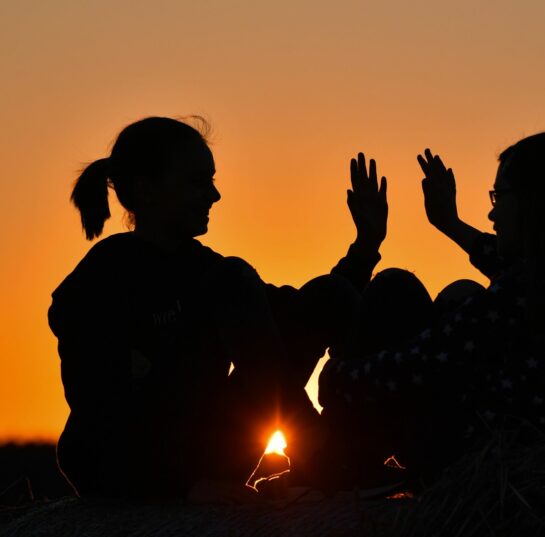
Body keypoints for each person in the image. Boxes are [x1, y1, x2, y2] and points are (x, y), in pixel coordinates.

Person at [48, 116, 388, 499]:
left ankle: (361, 442)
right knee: (233, 277)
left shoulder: (206, 269)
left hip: (210, 451)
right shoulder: (102, 281)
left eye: (211, 180)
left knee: (331, 293)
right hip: (136, 468)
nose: (214, 195)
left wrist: (365, 246)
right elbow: (96, 421)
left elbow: (301, 315)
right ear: (146, 190)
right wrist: (182, 487)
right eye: (197, 182)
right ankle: (321, 453)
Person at [318, 132, 545, 484]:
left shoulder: (524, 289)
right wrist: (448, 222)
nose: (492, 213)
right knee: (461, 293)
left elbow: (426, 359)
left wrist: (339, 377)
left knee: (395, 288)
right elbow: (505, 261)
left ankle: (339, 460)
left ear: (533, 201)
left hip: (485, 461)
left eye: (499, 196)